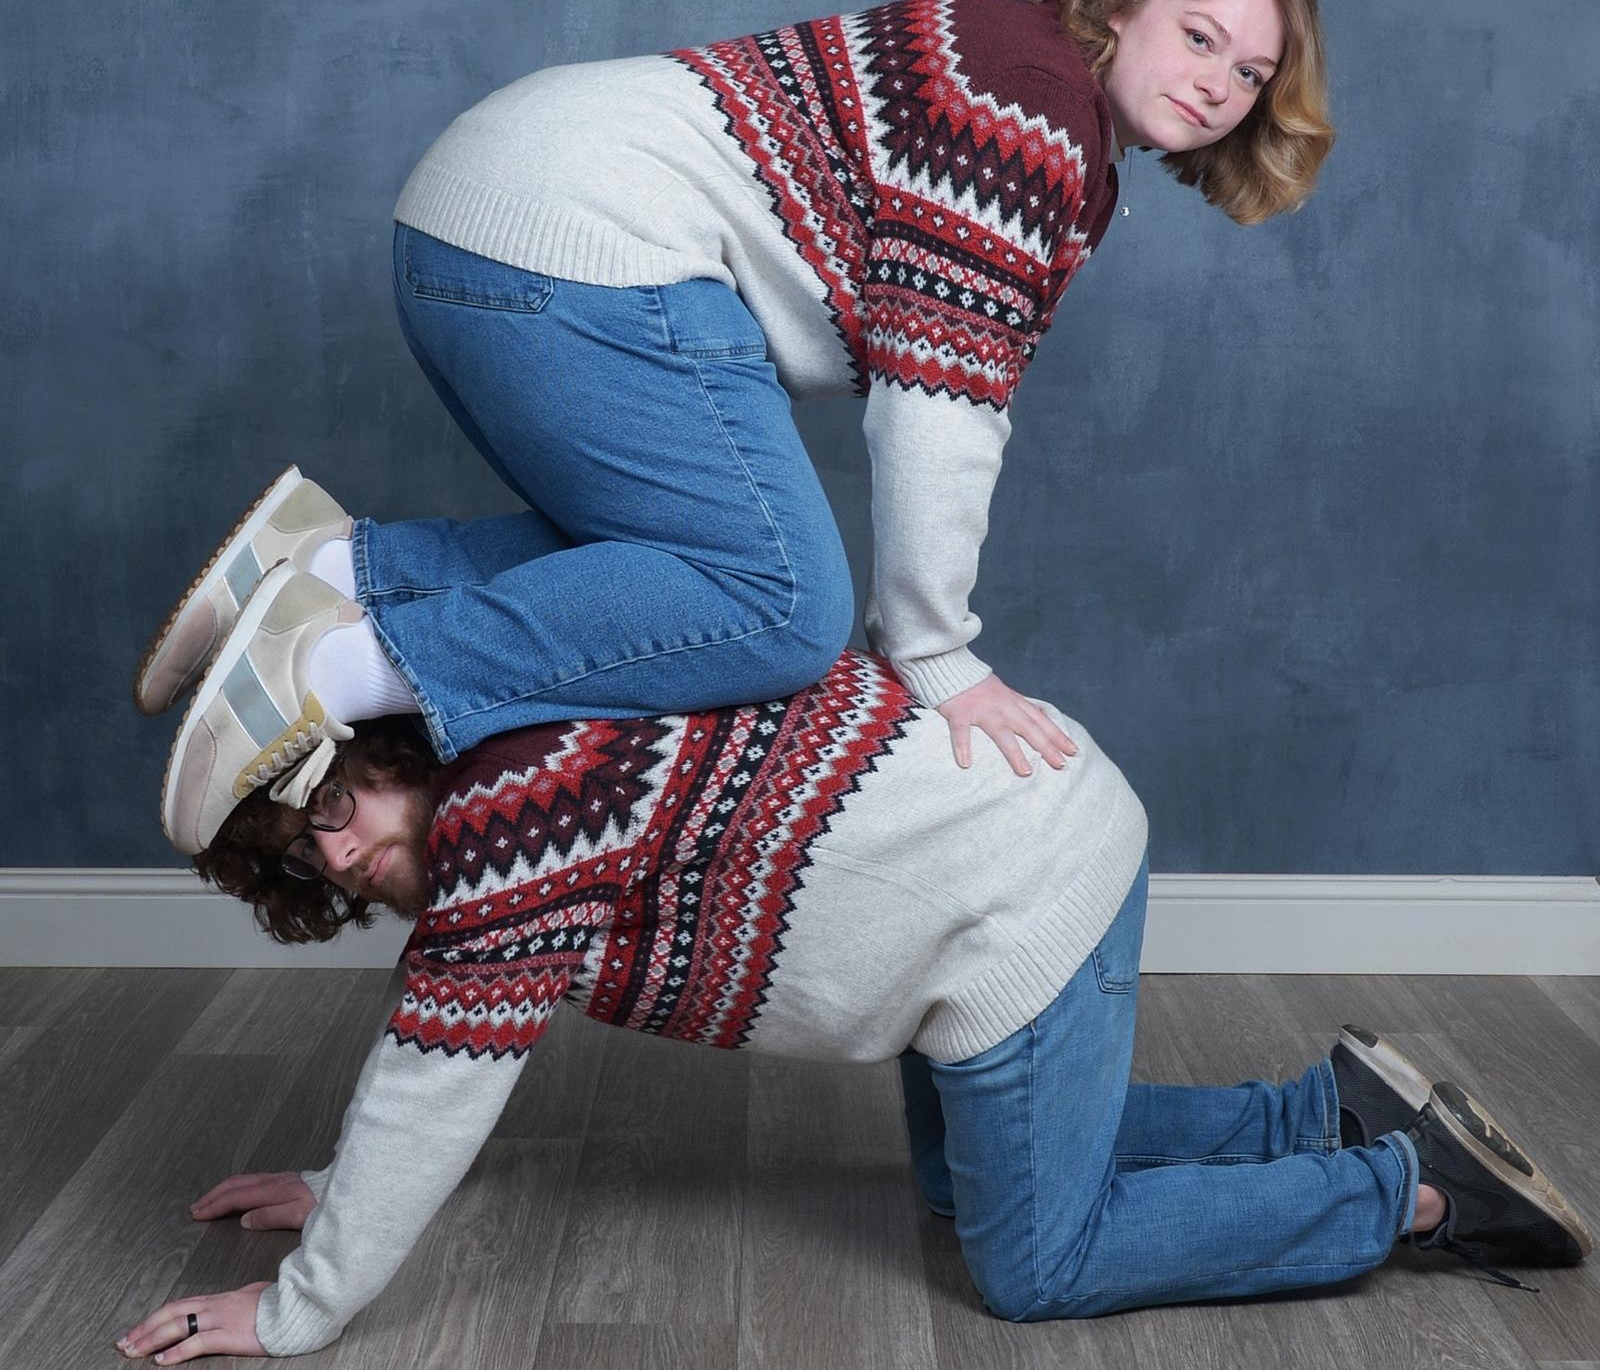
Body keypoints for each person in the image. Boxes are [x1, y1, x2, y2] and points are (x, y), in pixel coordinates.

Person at [135, 0, 1339, 864]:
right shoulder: (1034, 106)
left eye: (1249, 73)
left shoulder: (1026, 78)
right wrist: (936, 651)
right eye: (1199, 38)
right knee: (780, 604)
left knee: (660, 568)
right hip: (582, 240)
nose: (1217, 86)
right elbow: (940, 408)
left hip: (470, 225)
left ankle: (333, 568)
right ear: (1123, 5)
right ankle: (322, 669)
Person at [115, 582, 1590, 1362]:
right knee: (967, 1185)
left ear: (386, 746)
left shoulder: (510, 816)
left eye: (335, 804)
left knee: (1036, 1264)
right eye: (307, 857)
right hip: (1002, 866)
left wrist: (301, 1306)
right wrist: (340, 1183)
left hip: (1019, 891)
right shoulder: (519, 767)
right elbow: (436, 1054)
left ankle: (1409, 1191)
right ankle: (1320, 1114)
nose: (344, 856)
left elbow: (432, 1083)